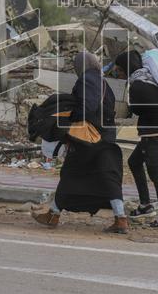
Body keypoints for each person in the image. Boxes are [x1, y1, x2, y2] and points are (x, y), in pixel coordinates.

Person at [32, 50, 128, 234]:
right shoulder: (102, 81)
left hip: (90, 138)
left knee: (71, 174)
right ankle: (120, 218)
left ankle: (53, 215)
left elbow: (88, 106)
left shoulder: (88, 79)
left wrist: (71, 121)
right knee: (108, 178)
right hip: (105, 136)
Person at [112, 50, 158, 229]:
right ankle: (146, 205)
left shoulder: (138, 85)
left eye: (119, 69)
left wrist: (135, 103)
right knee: (134, 162)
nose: (118, 73)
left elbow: (137, 110)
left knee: (157, 175)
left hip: (153, 132)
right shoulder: (150, 78)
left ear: (126, 67)